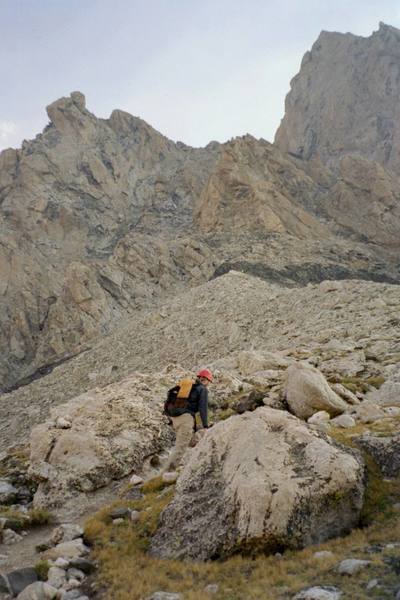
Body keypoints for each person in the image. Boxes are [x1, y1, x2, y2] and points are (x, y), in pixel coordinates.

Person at [165, 369, 213, 472]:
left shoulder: (190, 387)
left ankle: (194, 459)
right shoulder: (202, 389)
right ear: (205, 380)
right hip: (185, 419)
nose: (208, 384)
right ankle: (167, 473)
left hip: (175, 418)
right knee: (180, 448)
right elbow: (202, 409)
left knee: (191, 441)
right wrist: (205, 426)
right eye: (209, 381)